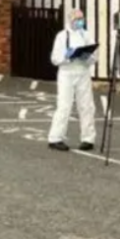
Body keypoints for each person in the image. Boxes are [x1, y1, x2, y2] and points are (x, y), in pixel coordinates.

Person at [47, 8, 98, 152]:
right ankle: (55, 137)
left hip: (83, 72)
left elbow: (95, 56)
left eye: (82, 18)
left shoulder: (86, 35)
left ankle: (88, 138)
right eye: (77, 19)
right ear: (70, 20)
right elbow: (55, 59)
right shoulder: (62, 36)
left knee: (87, 106)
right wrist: (67, 57)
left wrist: (87, 57)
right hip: (67, 73)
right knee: (64, 105)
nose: (80, 21)